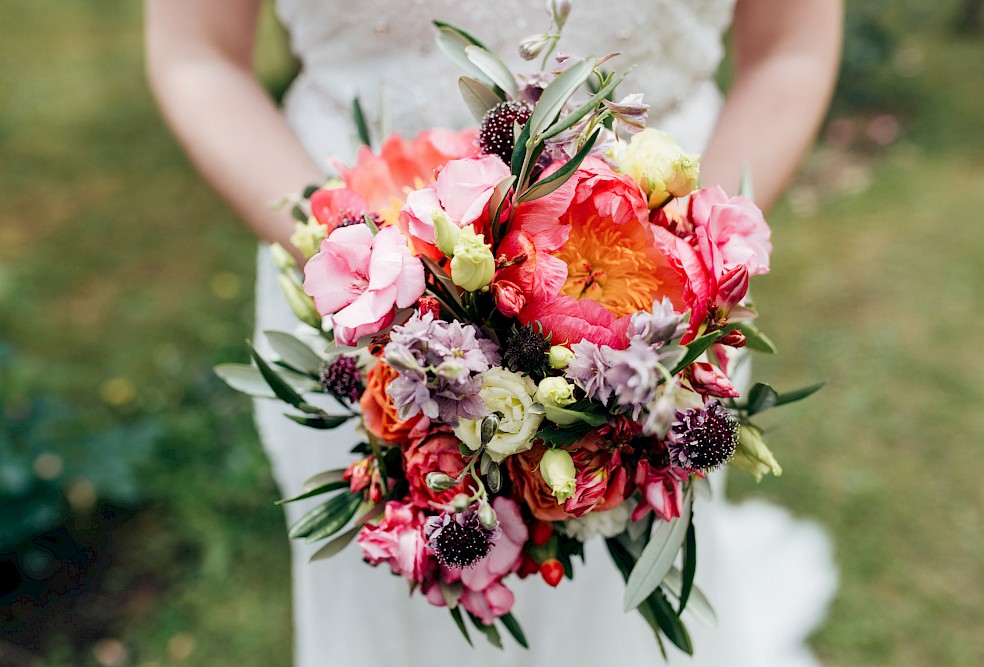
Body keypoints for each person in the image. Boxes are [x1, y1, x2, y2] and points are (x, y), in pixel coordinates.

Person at [145, 1, 843, 665]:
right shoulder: (358, 287)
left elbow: (791, 49)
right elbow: (197, 54)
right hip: (356, 301)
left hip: (653, 295)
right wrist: (372, 271)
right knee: (388, 602)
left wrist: (692, 259)